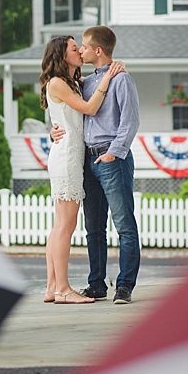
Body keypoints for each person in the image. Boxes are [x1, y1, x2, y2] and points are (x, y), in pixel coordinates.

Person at [51, 25, 142, 305]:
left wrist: (114, 153)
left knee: (124, 224)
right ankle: (97, 284)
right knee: (94, 227)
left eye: (85, 47)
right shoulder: (86, 83)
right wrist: (52, 131)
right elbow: (72, 113)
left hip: (112, 160)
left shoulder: (121, 79)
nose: (81, 50)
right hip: (87, 160)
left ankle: (124, 286)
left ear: (97, 50)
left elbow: (130, 121)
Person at [39, 36, 124, 304]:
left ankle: (52, 287)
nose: (80, 51)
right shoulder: (58, 83)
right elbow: (88, 108)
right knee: (66, 226)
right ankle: (64, 289)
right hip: (66, 159)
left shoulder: (71, 83)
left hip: (69, 157)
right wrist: (107, 80)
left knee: (60, 226)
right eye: (75, 49)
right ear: (62, 56)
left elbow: (63, 117)